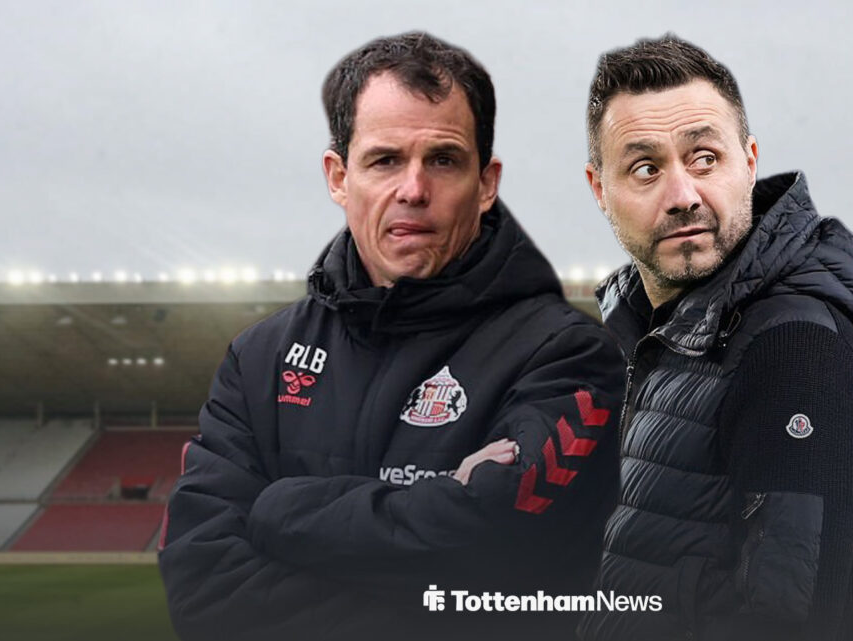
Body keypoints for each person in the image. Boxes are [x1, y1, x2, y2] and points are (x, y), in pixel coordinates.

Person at [157, 31, 623, 641]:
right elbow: (204, 583)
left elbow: (514, 564)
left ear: (486, 183)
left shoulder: (567, 355)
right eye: (384, 160)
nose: (413, 190)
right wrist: (438, 522)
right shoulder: (261, 359)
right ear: (338, 176)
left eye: (443, 160)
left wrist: (279, 509)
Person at [575, 36, 853, 641]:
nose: (682, 196)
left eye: (704, 157)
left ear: (748, 162)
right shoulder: (649, 338)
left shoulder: (794, 347)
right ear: (600, 189)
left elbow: (791, 621)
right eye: (646, 168)